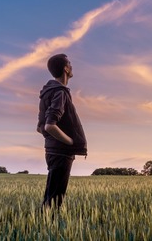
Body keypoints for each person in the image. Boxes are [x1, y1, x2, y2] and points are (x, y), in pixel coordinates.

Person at [37, 53, 88, 210]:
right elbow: (49, 125)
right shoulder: (60, 92)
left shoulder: (48, 92)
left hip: (52, 150)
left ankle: (43, 227)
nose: (72, 66)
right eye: (70, 64)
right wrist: (70, 142)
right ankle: (47, 230)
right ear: (66, 68)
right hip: (61, 152)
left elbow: (40, 127)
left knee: (51, 196)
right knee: (55, 200)